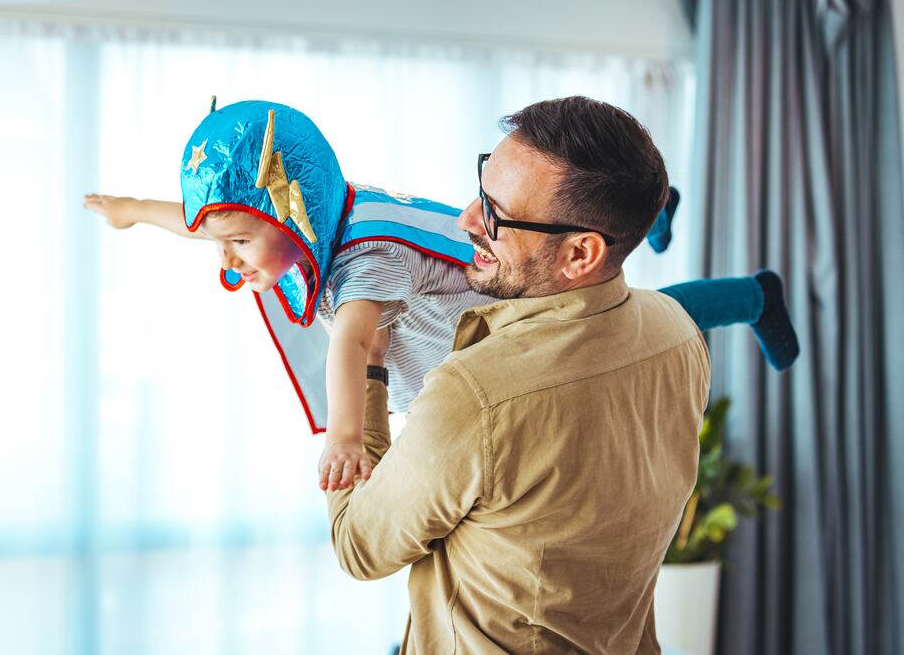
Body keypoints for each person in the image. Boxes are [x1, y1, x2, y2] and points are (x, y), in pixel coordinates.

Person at [85, 100, 797, 497]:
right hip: (481, 308)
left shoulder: (365, 262)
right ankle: (650, 205)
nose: (227, 259)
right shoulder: (309, 220)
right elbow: (211, 216)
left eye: (238, 243)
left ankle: (749, 293)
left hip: (521, 316)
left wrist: (344, 437)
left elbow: (352, 344)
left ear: (290, 214)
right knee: (598, 240)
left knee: (655, 314)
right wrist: (131, 210)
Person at [327, 96, 710, 653]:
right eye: (481, 189)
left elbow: (358, 546)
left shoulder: (475, 396)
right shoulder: (678, 331)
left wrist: (365, 365)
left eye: (496, 214)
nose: (465, 220)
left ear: (581, 253)